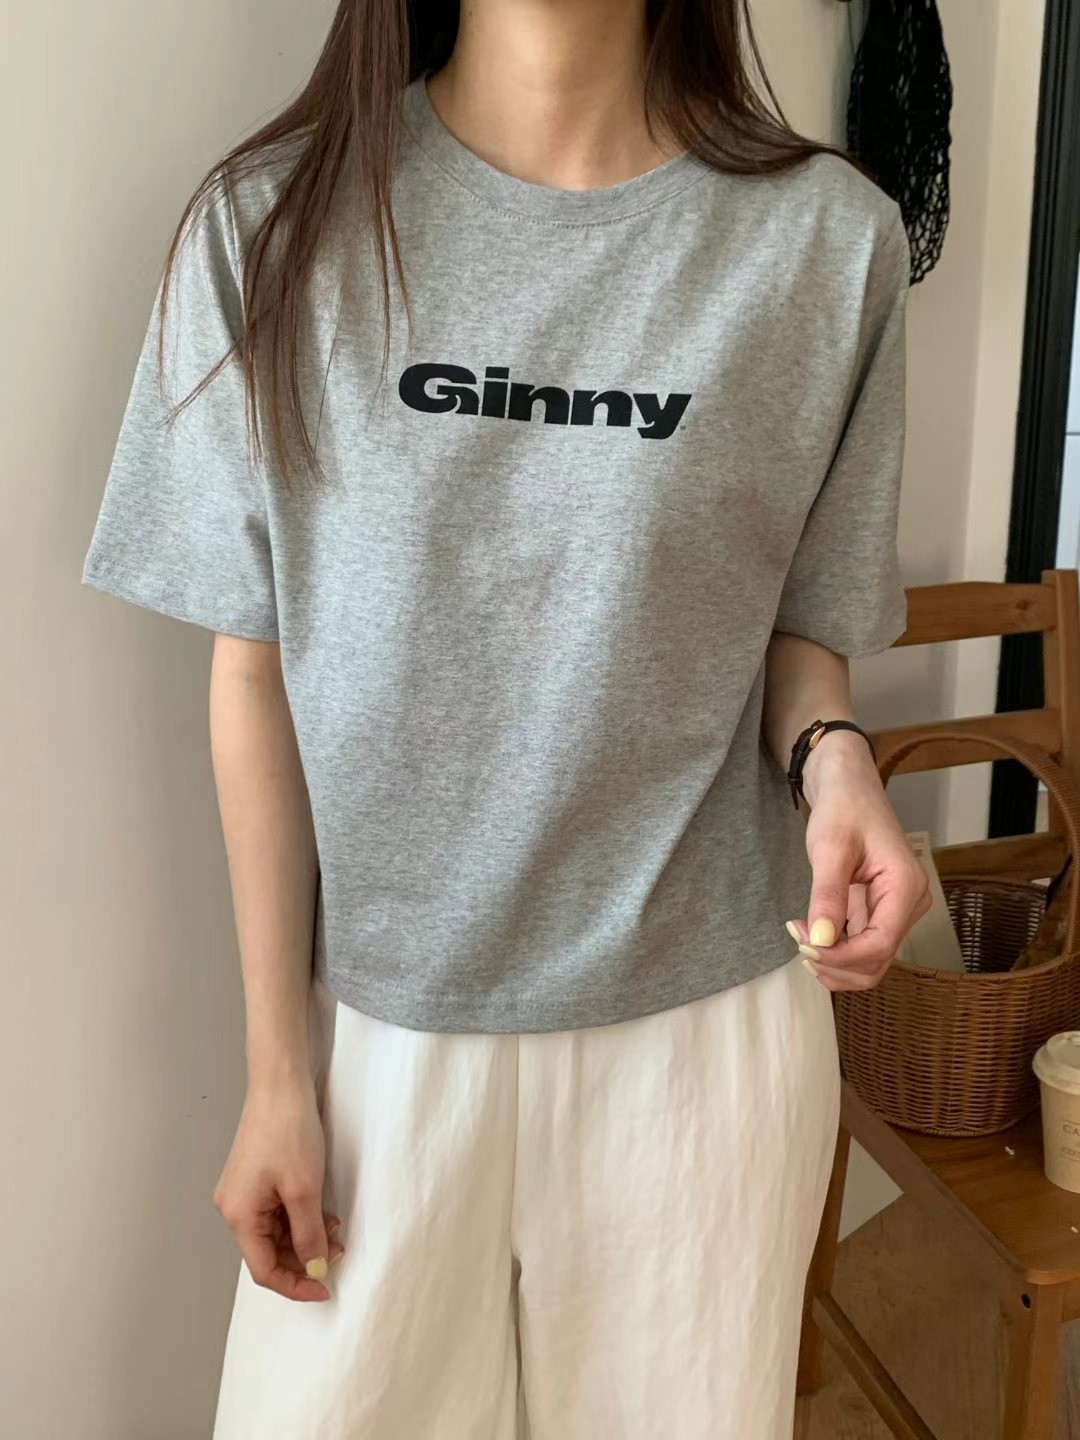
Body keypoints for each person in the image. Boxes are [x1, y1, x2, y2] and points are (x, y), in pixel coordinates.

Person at [82, 0, 931, 1435]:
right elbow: (254, 672)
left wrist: (835, 764)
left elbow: (800, 634)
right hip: (381, 1046)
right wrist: (279, 1074)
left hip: (701, 1040)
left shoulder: (827, 245)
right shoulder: (270, 226)